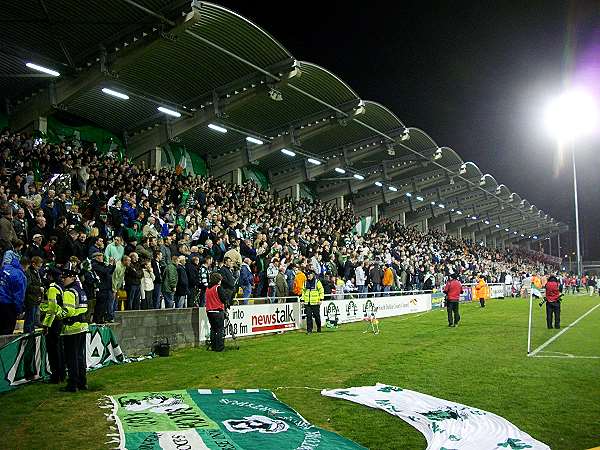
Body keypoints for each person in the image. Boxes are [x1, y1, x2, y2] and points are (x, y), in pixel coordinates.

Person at [43, 263, 89, 392]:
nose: (63, 279)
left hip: (71, 328)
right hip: (82, 326)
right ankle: (82, 382)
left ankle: (72, 384)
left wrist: (58, 313)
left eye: (65, 277)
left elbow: (67, 311)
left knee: (71, 358)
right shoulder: (80, 290)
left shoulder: (69, 291)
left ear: (72, 278)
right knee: (80, 357)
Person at [0, 251, 27, 334]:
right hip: (8, 305)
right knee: (6, 331)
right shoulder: (20, 275)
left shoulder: (4, 268)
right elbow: (19, 296)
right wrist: (19, 310)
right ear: (26, 265)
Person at [205, 272, 229, 352]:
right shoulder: (218, 287)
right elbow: (223, 298)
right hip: (217, 311)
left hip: (209, 311)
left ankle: (213, 346)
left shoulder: (208, 288)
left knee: (213, 329)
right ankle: (219, 347)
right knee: (219, 330)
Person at [23, 256, 44, 333]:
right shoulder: (28, 272)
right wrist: (39, 289)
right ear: (33, 264)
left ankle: (31, 334)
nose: (39, 268)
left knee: (33, 320)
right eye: (38, 266)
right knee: (30, 319)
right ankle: (28, 334)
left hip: (35, 299)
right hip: (30, 299)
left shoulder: (37, 272)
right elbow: (28, 287)